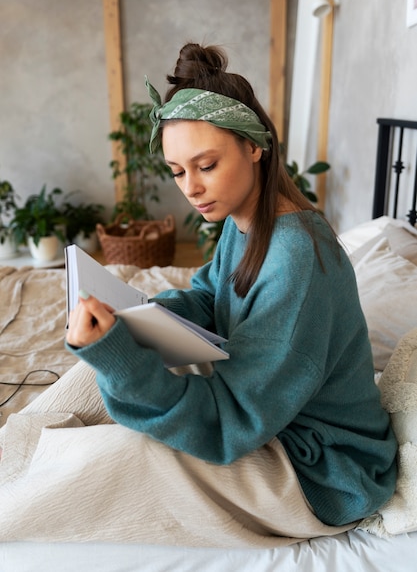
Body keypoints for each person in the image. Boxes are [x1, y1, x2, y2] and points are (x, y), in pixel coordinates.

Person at [65, 42, 397, 545]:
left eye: (206, 164)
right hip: (269, 413)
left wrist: (125, 359)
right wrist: (135, 315)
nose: (191, 189)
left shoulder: (297, 260)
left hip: (324, 468)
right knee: (88, 372)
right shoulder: (245, 219)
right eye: (178, 171)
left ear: (254, 146)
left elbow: (231, 420)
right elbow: (209, 299)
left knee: (117, 455)